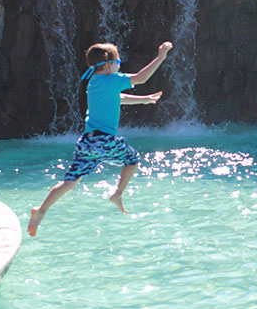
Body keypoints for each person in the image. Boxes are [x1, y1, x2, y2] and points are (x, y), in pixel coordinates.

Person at [27, 41, 172, 237]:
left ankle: (41, 210)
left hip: (87, 142)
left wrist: (145, 99)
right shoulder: (112, 80)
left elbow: (118, 98)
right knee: (133, 159)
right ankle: (118, 194)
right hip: (103, 141)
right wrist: (160, 57)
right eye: (118, 61)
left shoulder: (95, 82)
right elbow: (141, 78)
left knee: (70, 182)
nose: (119, 65)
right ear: (108, 64)